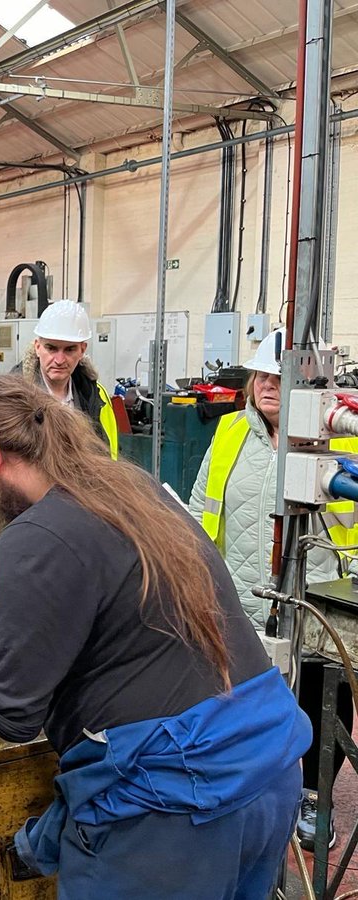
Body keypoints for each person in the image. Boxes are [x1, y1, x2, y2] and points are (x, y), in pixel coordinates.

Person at [0, 374, 309, 900]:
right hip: (269, 765)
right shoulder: (131, 488)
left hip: (175, 803)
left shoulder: (35, 537)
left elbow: (13, 716)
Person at [189, 328, 356, 851]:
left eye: (280, 377)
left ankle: (314, 797)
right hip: (243, 596)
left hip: (319, 599)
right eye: (262, 374)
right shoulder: (231, 431)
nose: (268, 385)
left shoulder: (344, 440)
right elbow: (201, 505)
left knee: (322, 697)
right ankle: (250, 792)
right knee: (243, 697)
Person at [15, 299, 118, 458]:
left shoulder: (96, 395)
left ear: (82, 350)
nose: (59, 360)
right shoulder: (12, 396)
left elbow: (109, 455)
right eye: (51, 348)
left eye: (69, 349)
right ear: (37, 347)